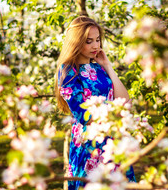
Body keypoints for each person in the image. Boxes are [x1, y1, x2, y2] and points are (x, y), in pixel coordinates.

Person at [55, 16, 136, 189]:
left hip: (113, 139)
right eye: (88, 41)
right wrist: (115, 117)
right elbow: (83, 114)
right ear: (76, 42)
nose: (96, 46)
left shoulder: (99, 68)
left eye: (98, 40)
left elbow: (124, 101)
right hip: (90, 142)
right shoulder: (68, 71)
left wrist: (108, 66)